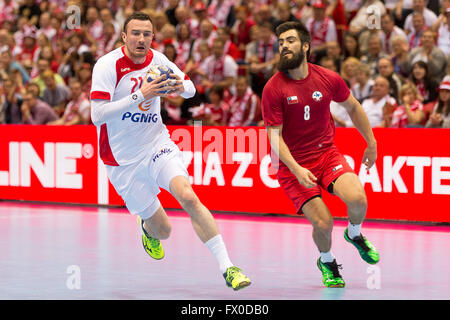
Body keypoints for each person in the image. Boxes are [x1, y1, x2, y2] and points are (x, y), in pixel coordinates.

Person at [89, 12, 251, 290]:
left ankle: (229, 267)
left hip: (156, 144)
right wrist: (143, 95)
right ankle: (146, 228)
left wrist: (179, 86)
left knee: (187, 195)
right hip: (122, 161)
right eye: (136, 33)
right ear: (124, 36)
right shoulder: (107, 65)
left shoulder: (158, 60)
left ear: (153, 37)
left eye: (147, 34)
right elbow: (97, 114)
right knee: (163, 230)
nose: (142, 39)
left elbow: (189, 88)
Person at [261, 21, 379, 288]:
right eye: (281, 43)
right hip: (292, 165)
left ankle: (354, 233)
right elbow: (273, 137)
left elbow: (352, 106)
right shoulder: (273, 88)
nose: (284, 46)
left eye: (290, 41)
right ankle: (327, 261)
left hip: (326, 154)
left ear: (305, 46)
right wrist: (295, 167)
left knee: (358, 199)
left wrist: (370, 142)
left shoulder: (327, 78)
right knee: (324, 224)